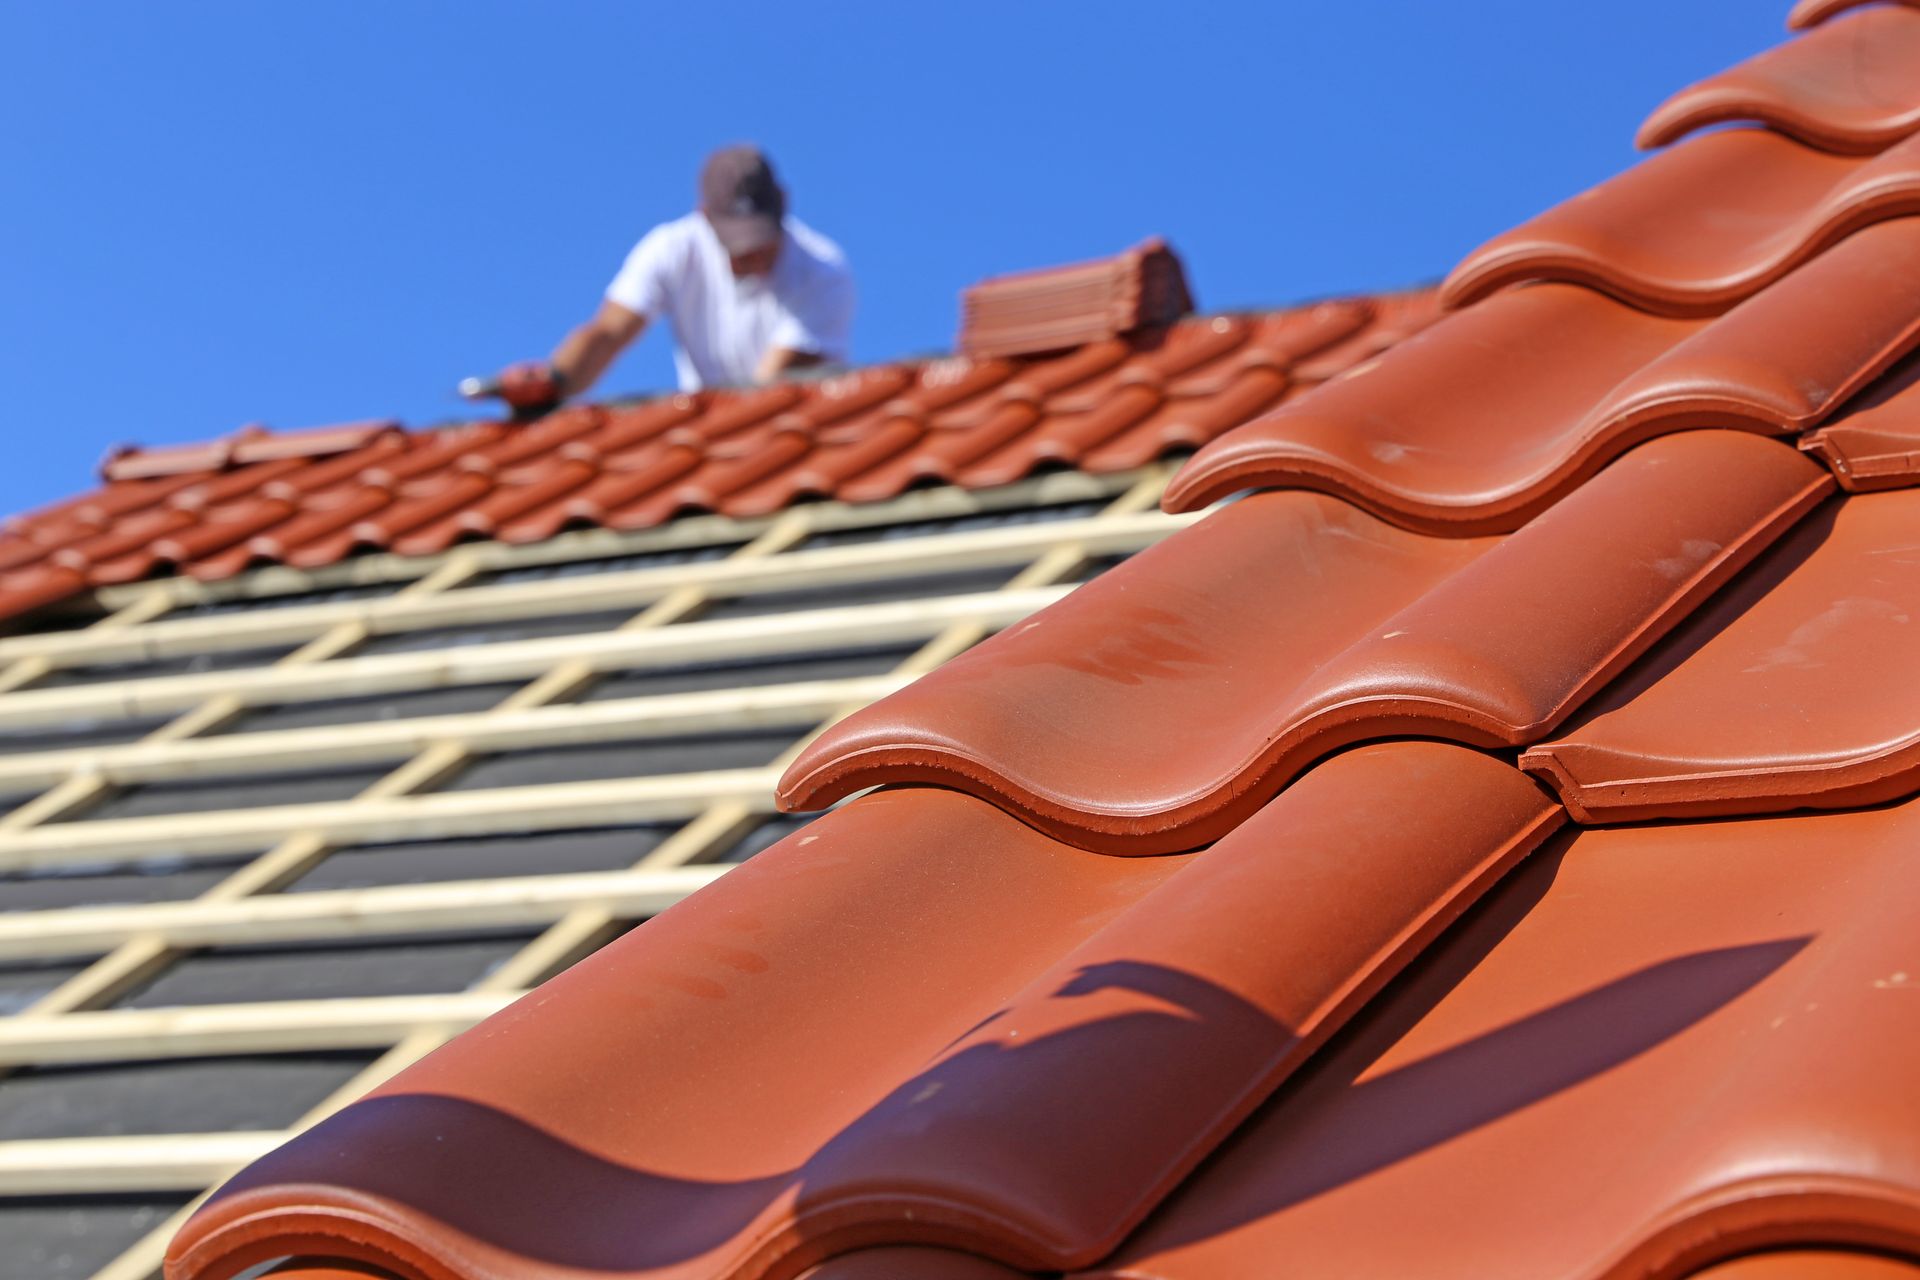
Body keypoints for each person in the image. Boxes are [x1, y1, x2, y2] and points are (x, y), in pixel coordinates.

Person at [478, 145, 854, 414]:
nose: (751, 256)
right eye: (738, 245)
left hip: (795, 423)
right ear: (705, 217)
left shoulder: (823, 271)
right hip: (714, 422)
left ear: (784, 204)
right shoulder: (672, 249)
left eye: (760, 241)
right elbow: (609, 332)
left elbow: (764, 390)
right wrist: (553, 381)